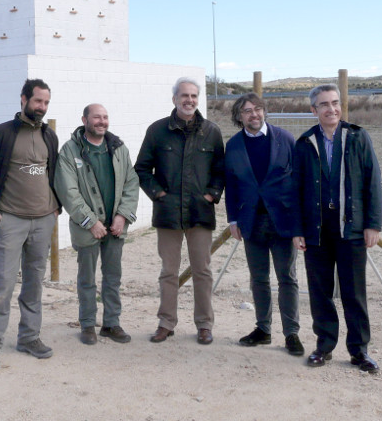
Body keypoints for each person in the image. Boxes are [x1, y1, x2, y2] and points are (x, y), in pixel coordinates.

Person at [291, 84, 382, 373]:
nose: (331, 109)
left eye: (335, 103)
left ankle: (359, 351)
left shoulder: (357, 136)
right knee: (320, 292)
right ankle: (324, 346)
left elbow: (372, 182)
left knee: (354, 292)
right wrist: (297, 229)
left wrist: (372, 224)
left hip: (351, 229)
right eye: (324, 104)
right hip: (316, 230)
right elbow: (295, 190)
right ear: (313, 110)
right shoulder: (305, 144)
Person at [0, 78, 60, 373]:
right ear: (23, 99)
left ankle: (28, 337)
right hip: (10, 219)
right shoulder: (0, 134)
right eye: (38, 101)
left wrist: (56, 207)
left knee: (34, 283)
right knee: (3, 284)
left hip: (43, 220)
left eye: (46, 103)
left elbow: (54, 172)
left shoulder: (50, 136)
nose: (42, 107)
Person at [135, 77, 225, 345]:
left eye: (194, 96)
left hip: (200, 212)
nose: (189, 101)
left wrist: (211, 194)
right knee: (168, 272)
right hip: (168, 213)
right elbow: (141, 169)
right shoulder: (157, 131)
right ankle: (166, 323)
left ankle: (204, 325)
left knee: (202, 271)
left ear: (198, 99)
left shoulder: (211, 131)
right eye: (184, 96)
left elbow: (221, 171)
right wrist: (159, 194)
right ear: (174, 98)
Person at [223, 93, 303, 356]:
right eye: (247, 111)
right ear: (239, 116)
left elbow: (298, 183)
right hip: (251, 223)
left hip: (282, 222)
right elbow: (232, 185)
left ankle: (291, 333)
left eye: (257, 109)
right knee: (258, 279)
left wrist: (298, 224)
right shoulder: (233, 146)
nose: (253, 114)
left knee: (287, 279)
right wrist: (233, 219)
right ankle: (263, 330)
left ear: (264, 112)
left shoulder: (285, 139)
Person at [54, 104, 140, 345]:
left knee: (113, 278)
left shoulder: (118, 149)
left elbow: (132, 183)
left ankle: (112, 324)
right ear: (84, 120)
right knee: (87, 279)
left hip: (116, 227)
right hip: (87, 229)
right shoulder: (70, 151)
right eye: (96, 117)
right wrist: (91, 222)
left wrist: (123, 216)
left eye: (105, 117)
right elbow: (68, 191)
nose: (102, 121)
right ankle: (88, 324)